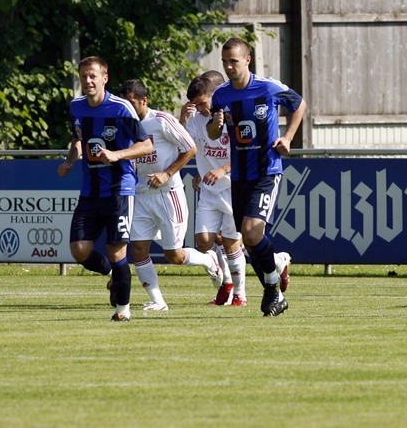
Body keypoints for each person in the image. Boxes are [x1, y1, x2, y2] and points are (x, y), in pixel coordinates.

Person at [208, 37, 306, 317]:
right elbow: (213, 133)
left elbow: (299, 104)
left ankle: (272, 288)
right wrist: (215, 125)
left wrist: (288, 137)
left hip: (266, 170)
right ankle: (275, 282)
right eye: (224, 62)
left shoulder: (267, 87)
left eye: (233, 61)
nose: (228, 66)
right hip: (240, 175)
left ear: (247, 60)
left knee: (251, 231)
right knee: (250, 240)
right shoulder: (221, 95)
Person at [182, 72, 292, 306]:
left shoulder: (234, 115)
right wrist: (201, 171)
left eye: (202, 103)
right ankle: (269, 264)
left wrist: (222, 169)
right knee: (204, 241)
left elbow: (245, 153)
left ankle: (239, 294)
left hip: (234, 184)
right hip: (210, 189)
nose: (199, 108)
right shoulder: (200, 119)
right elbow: (185, 145)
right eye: (195, 105)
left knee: (235, 241)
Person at [57, 57, 153, 322]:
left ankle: (122, 311)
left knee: (117, 251)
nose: (88, 81)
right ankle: (112, 274)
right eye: (84, 76)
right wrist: (69, 161)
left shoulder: (121, 108)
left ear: (104, 78)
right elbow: (78, 139)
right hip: (90, 191)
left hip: (119, 189)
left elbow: (146, 145)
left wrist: (117, 154)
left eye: (93, 76)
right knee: (79, 250)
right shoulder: (76, 106)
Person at [118, 79, 224, 311]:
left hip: (168, 194)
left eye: (131, 103)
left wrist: (166, 173)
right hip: (141, 194)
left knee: (173, 255)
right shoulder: (123, 124)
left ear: (143, 101)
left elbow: (190, 148)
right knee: (138, 249)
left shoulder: (161, 120)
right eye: (124, 103)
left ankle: (209, 260)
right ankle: (158, 301)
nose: (127, 108)